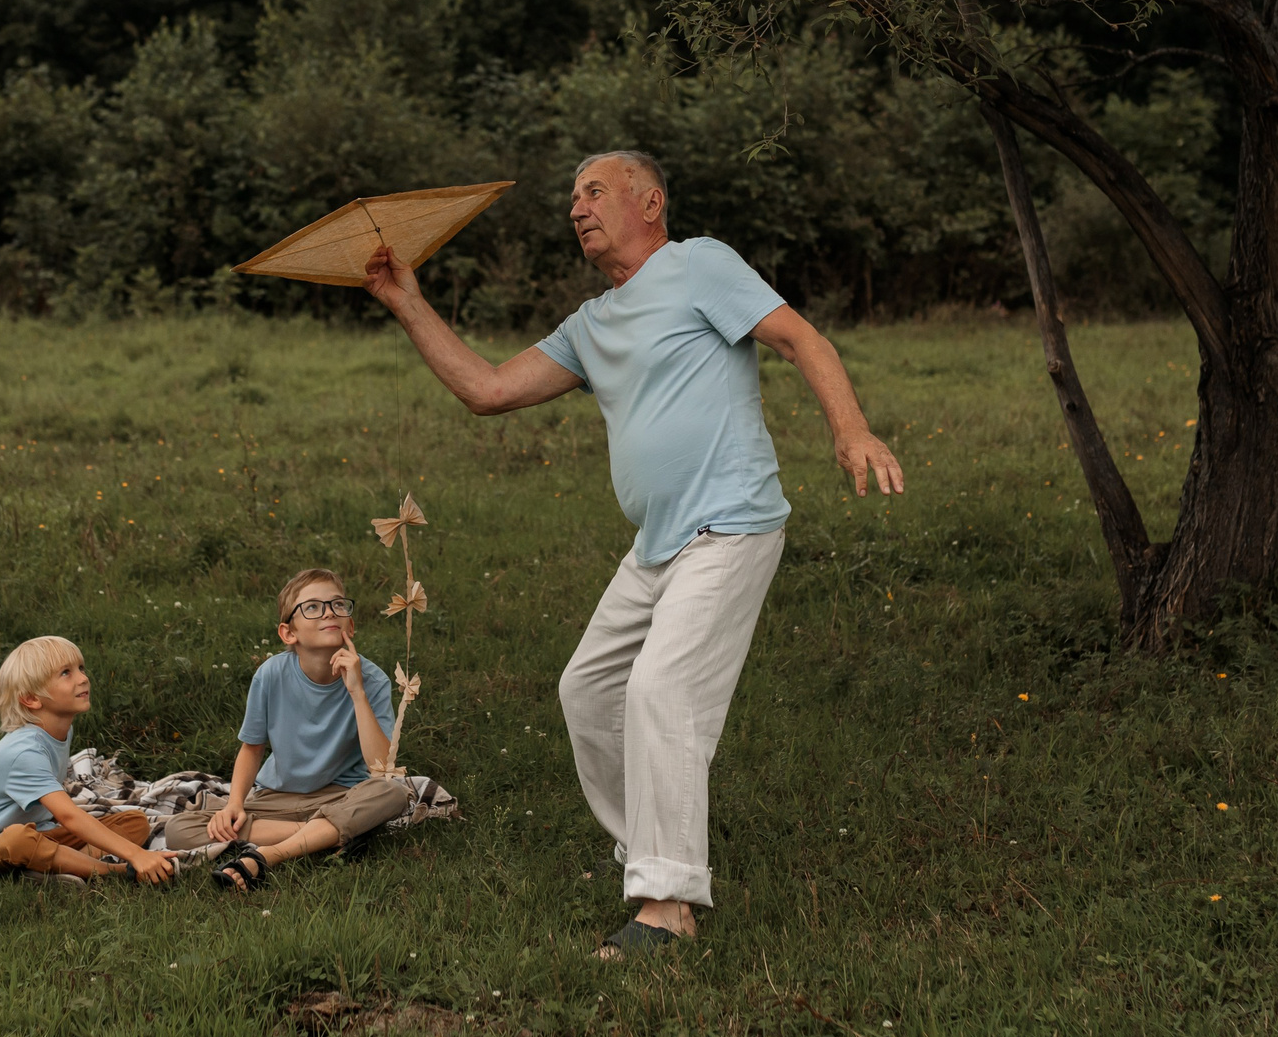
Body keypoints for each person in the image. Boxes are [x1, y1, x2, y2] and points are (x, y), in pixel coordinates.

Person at [364, 150, 902, 957]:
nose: (577, 207)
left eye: (594, 191)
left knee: (660, 688)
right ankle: (650, 846)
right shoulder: (591, 323)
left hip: (731, 524)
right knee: (588, 690)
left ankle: (667, 904)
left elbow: (801, 338)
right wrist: (407, 302)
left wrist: (851, 428)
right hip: (657, 546)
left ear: (649, 202)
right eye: (572, 197)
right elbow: (487, 389)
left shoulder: (699, 265)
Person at [164, 568, 415, 890]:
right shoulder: (270, 675)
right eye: (312, 607)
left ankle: (268, 855)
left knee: (394, 791)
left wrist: (357, 692)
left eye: (338, 605)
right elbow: (252, 748)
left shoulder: (372, 679)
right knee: (181, 828)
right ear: (288, 633)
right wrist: (235, 804)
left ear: (350, 625)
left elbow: (383, 769)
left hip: (341, 795)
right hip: (277, 797)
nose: (328, 613)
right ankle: (325, 836)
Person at [0, 636, 176, 884]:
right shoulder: (23, 753)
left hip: (43, 833)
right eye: (66, 673)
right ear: (31, 698)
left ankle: (56, 868)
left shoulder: (61, 730)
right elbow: (69, 817)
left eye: (80, 668)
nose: (83, 678)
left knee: (134, 822)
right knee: (18, 839)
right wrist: (136, 855)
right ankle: (112, 873)